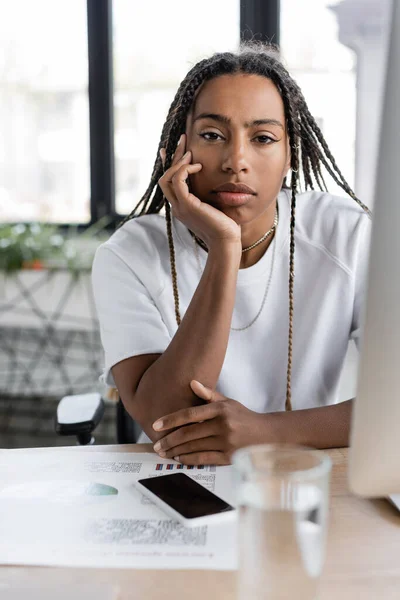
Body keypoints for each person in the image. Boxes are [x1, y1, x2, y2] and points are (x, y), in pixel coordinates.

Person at [92, 43, 371, 466]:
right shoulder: (129, 255)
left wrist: (264, 431)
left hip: (306, 473)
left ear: (289, 154)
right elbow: (167, 421)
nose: (236, 161)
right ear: (176, 149)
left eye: (263, 138)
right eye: (211, 136)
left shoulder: (345, 234)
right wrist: (225, 246)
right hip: (179, 482)